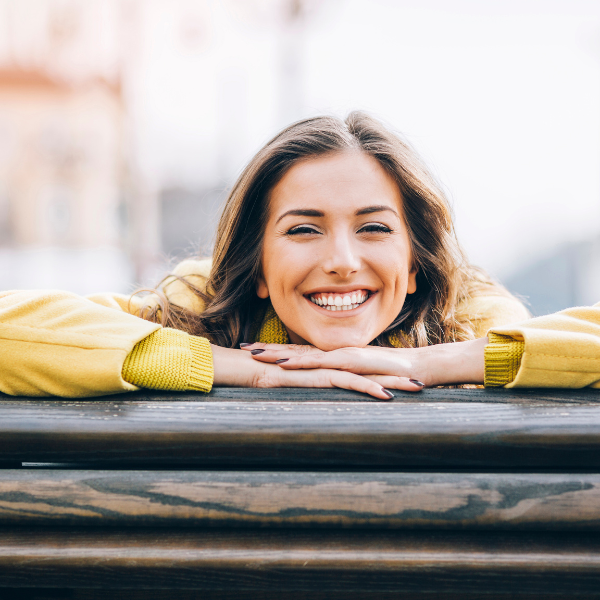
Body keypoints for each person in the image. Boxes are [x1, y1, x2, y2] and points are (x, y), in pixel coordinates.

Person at [0, 112, 531, 399]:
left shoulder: (467, 314)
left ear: (414, 264)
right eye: (303, 229)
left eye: (373, 227)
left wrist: (428, 362)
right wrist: (242, 369)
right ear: (256, 267)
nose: (343, 260)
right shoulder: (197, 303)